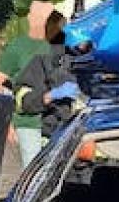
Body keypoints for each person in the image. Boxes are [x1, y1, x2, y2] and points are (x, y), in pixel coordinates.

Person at [0, 0, 54, 167]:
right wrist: (6, 124)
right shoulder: (17, 47)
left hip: (58, 121)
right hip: (29, 123)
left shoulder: (60, 46)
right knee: (34, 176)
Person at [11, 8, 82, 140]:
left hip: (103, 144)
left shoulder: (109, 57)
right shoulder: (49, 56)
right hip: (55, 140)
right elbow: (21, 99)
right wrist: (48, 96)